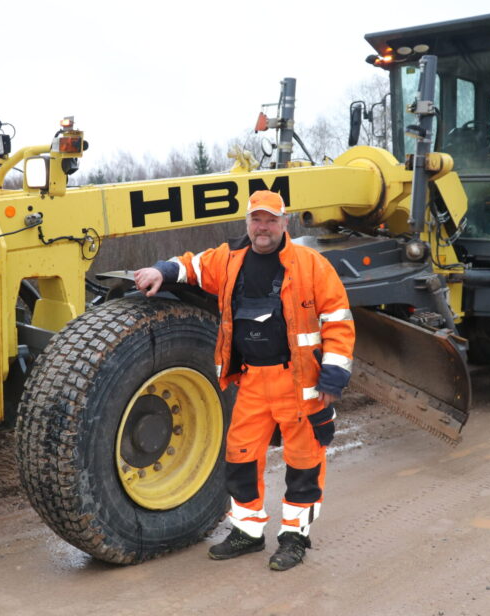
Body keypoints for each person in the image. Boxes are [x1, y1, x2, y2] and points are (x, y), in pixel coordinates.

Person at [133, 190, 355, 570]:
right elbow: (192, 266)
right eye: (256, 220)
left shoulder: (310, 265)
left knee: (303, 462)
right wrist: (160, 271)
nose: (263, 227)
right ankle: (248, 532)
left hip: (300, 384)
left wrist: (334, 375)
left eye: (271, 220)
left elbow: (337, 319)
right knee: (239, 457)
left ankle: (294, 537)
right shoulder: (230, 260)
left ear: (285, 223)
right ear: (247, 224)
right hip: (252, 382)